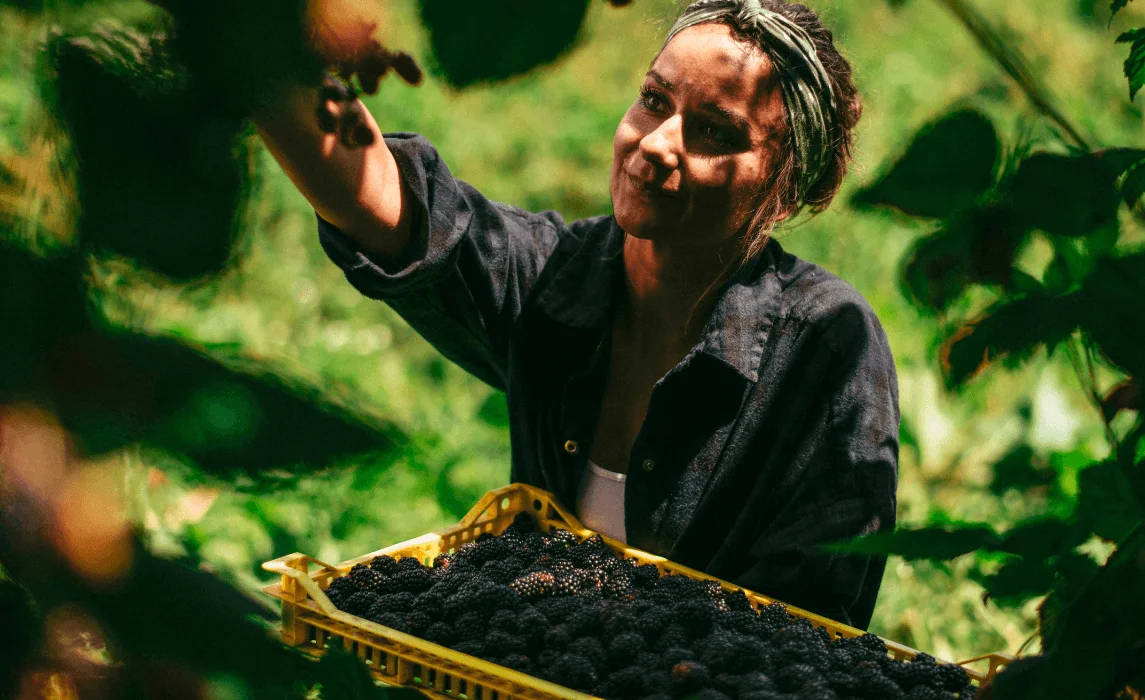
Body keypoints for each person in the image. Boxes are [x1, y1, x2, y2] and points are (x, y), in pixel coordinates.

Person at [255, 0, 899, 630]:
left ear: (784, 192)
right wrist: (250, 40)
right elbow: (388, 204)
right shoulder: (557, 280)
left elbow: (811, 635)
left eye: (715, 132)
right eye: (654, 100)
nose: (657, 145)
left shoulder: (826, 346)